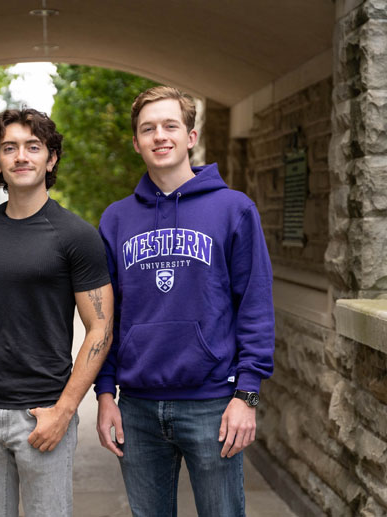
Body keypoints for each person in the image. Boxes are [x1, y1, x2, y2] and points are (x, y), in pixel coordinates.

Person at [95, 86, 275, 517]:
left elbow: (254, 304)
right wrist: (104, 393)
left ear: (190, 137)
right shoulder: (116, 218)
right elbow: (105, 316)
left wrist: (246, 395)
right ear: (136, 142)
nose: (160, 136)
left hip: (213, 403)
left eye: (170, 125)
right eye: (148, 128)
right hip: (136, 406)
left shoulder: (234, 209)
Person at [0, 108, 114, 517]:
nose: (21, 156)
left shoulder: (76, 235)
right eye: (10, 148)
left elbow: (101, 327)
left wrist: (65, 410)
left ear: (51, 158)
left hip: (42, 412)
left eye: (33, 147)